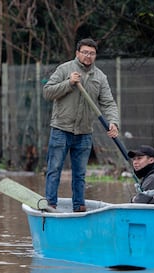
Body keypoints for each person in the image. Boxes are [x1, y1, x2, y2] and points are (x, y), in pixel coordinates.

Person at [43, 38, 120, 213]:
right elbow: (47, 92)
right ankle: (50, 204)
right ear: (77, 53)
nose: (88, 56)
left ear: (95, 56)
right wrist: (68, 83)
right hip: (61, 129)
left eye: (91, 53)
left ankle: (79, 206)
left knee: (80, 174)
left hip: (84, 132)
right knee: (54, 169)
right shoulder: (64, 69)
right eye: (85, 52)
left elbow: (108, 103)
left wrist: (113, 122)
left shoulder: (100, 77)